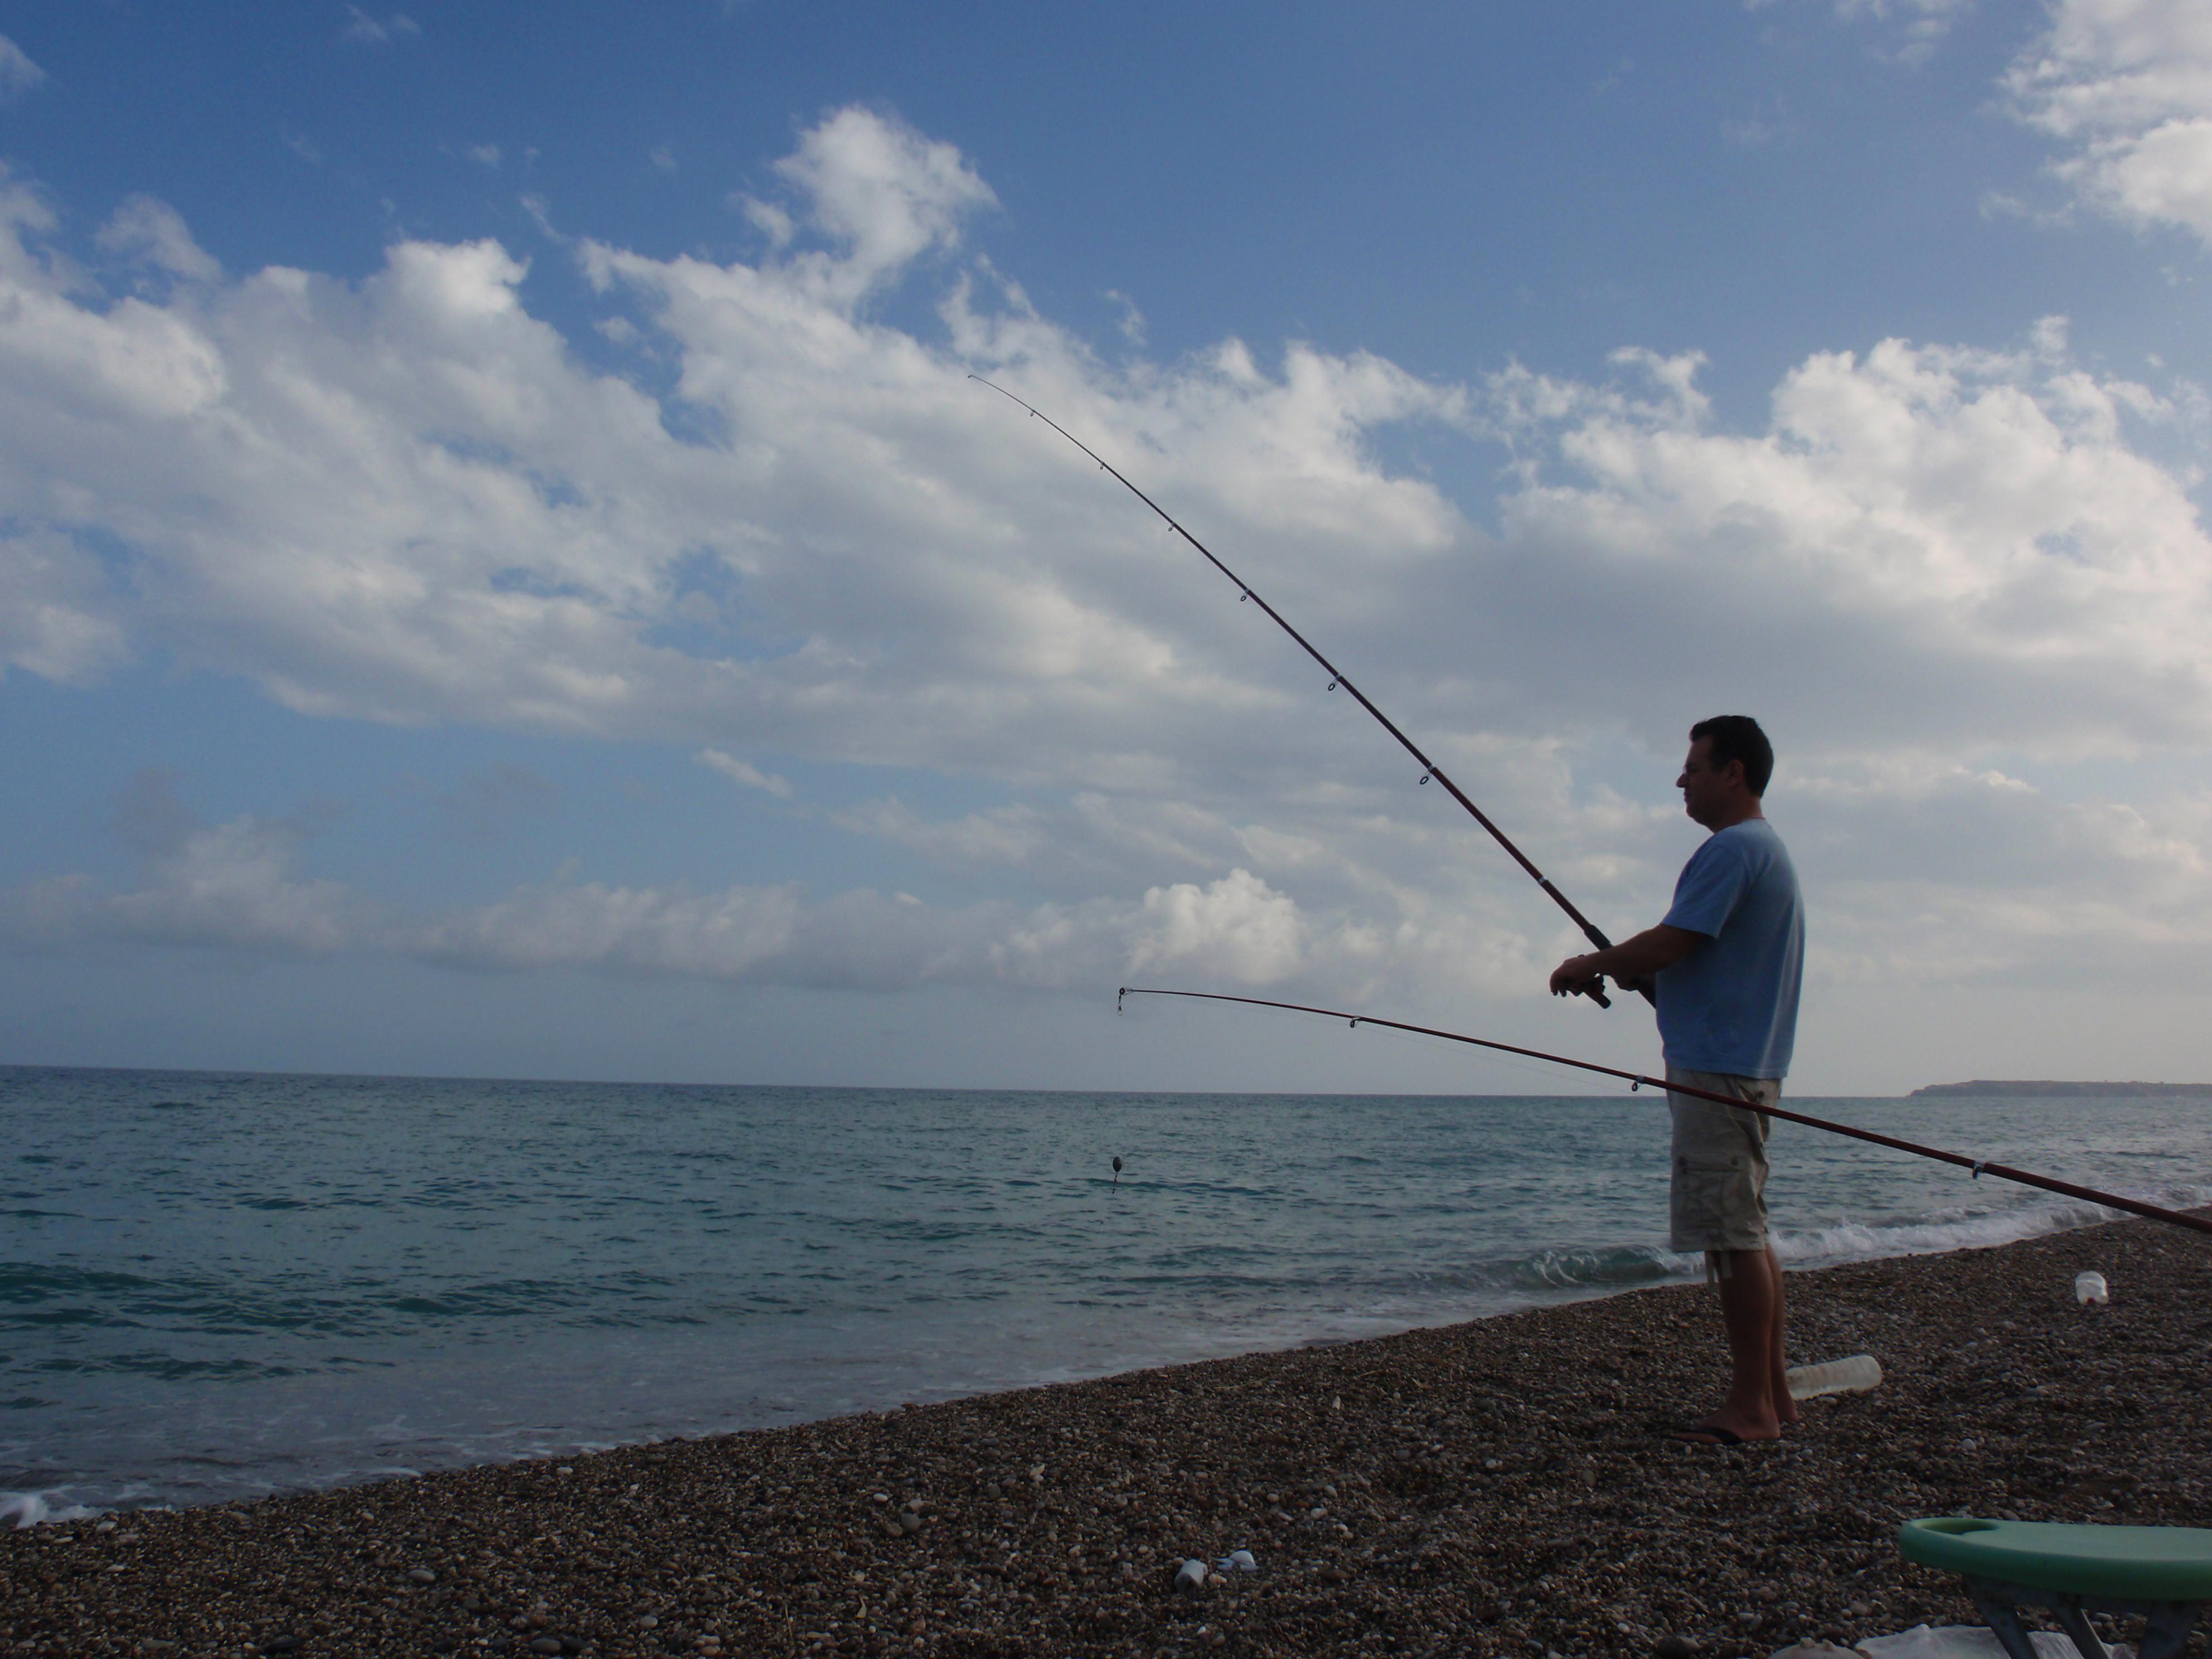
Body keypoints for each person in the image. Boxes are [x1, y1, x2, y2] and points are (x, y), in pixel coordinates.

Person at [1547, 716, 1805, 1445]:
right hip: (1742, 1066)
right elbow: (1696, 962)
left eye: (1693, 767)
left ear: (1735, 773)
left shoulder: (1731, 850)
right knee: (1745, 1233)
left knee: (1733, 1236)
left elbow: (1676, 941)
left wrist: (1589, 964)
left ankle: (1751, 1408)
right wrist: (1643, 973)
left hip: (1721, 1072)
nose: (1681, 780)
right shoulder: (1763, 851)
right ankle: (1775, 1398)